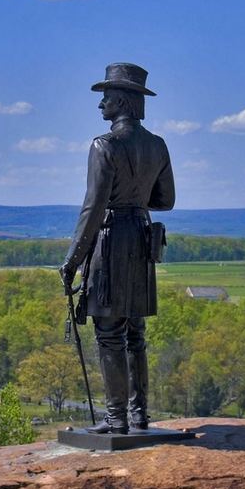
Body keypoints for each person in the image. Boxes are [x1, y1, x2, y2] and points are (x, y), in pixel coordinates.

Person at [60, 63, 175, 434]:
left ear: (123, 101)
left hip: (111, 240)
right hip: (140, 238)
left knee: (110, 332)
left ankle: (116, 418)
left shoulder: (104, 145)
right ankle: (139, 414)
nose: (101, 106)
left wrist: (72, 260)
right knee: (135, 332)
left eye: (106, 97)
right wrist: (136, 197)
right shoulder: (157, 145)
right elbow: (166, 199)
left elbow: (93, 208)